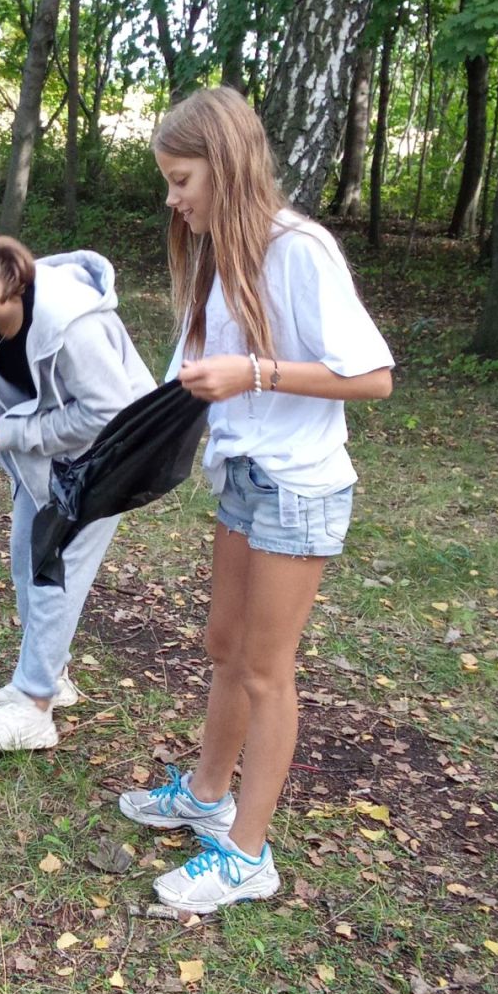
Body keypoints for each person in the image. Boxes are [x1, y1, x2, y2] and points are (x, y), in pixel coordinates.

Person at [118, 87, 394, 912]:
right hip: (244, 475)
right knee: (223, 644)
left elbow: (373, 377)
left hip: (298, 486)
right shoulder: (220, 256)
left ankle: (246, 855)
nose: (173, 199)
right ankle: (207, 794)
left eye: (181, 179)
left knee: (268, 672)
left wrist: (256, 374)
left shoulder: (299, 249)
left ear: (225, 165)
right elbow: (174, 379)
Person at [0, 225, 155, 752]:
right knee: (26, 561)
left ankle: (36, 705)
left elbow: (111, 412)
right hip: (48, 462)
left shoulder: (69, 321)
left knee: (53, 571)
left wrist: (22, 433)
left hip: (110, 460)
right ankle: (52, 675)